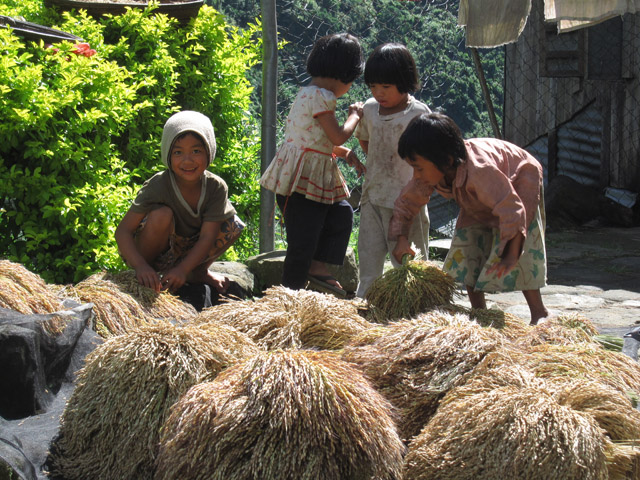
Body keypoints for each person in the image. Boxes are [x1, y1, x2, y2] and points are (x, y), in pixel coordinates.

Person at [390, 112, 549, 325]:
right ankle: (479, 311)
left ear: (446, 160)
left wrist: (512, 252)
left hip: (517, 178)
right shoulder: (432, 173)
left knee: (524, 253)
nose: (416, 175)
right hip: (477, 198)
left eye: (418, 168)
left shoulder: (481, 171)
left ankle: (539, 312)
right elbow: (407, 202)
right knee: (469, 246)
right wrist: (401, 237)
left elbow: (511, 208)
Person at [260, 32, 366, 297]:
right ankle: (288, 296)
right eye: (351, 81)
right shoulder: (321, 96)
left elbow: (314, 139)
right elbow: (337, 134)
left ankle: (317, 267)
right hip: (301, 182)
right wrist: (354, 116)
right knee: (302, 242)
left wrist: (343, 154)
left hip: (306, 175)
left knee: (341, 213)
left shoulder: (308, 92)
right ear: (343, 76)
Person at [115, 110, 244, 294]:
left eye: (196, 151)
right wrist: (140, 266)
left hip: (188, 251)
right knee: (161, 215)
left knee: (233, 223)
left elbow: (208, 236)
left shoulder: (215, 188)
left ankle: (197, 272)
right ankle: (151, 273)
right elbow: (123, 231)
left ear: (209, 151)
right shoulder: (158, 185)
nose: (187, 160)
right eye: (178, 152)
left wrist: (183, 270)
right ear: (168, 154)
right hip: (154, 251)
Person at [354, 43, 431, 298]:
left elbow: (429, 156)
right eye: (373, 87)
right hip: (373, 197)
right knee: (369, 256)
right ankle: (365, 302)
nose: (378, 93)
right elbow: (366, 140)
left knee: (410, 261)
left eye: (385, 87)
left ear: (403, 81)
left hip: (408, 202)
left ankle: (416, 307)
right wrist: (376, 162)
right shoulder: (369, 110)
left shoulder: (418, 114)